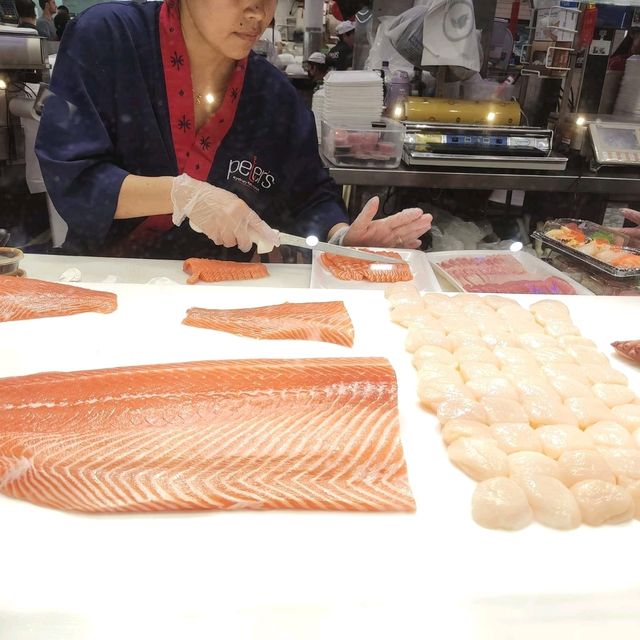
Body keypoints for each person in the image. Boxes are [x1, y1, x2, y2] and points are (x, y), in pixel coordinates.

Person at [35, 0, 431, 260]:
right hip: (104, 281)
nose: (257, 11)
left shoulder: (274, 95)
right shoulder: (107, 38)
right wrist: (182, 195)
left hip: (226, 299)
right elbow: (72, 176)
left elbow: (309, 198)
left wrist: (342, 238)